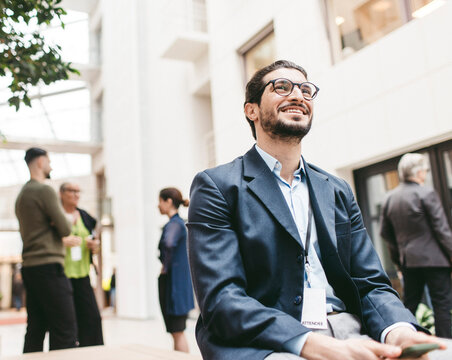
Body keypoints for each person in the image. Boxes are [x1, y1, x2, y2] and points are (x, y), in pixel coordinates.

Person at [186, 60, 450, 360]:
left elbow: (370, 282)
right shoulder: (217, 186)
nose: (298, 95)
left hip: (348, 329)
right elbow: (222, 300)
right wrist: (315, 345)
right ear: (252, 110)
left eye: (306, 90)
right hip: (267, 341)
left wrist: (399, 331)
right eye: (282, 87)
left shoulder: (336, 189)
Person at [380, 153, 452, 338]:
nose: (426, 174)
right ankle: (445, 348)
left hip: (409, 262)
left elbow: (386, 234)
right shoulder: (426, 192)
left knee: (409, 305)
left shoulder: (390, 198)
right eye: (425, 170)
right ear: (419, 172)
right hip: (436, 261)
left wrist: (398, 262)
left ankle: (407, 341)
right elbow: (441, 230)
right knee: (442, 305)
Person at [15, 147, 78, 352]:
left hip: (30, 268)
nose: (50, 166)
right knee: (65, 329)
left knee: (35, 328)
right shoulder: (44, 190)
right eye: (49, 161)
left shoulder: (22, 195)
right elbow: (66, 228)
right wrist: (60, 220)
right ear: (41, 163)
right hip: (49, 268)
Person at [59, 182, 104, 347]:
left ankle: (92, 353)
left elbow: (94, 241)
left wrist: (95, 245)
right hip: (62, 276)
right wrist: (63, 242)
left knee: (93, 318)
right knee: (67, 321)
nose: (76, 194)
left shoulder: (85, 216)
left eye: (79, 191)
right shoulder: (56, 215)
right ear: (62, 193)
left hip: (83, 274)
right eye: (72, 191)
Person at [157, 187, 194, 352]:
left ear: (168, 201)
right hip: (176, 284)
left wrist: (164, 266)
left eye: (160, 201)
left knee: (177, 332)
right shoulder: (177, 224)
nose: (158, 206)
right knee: (176, 331)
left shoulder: (176, 224)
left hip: (174, 286)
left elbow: (169, 243)